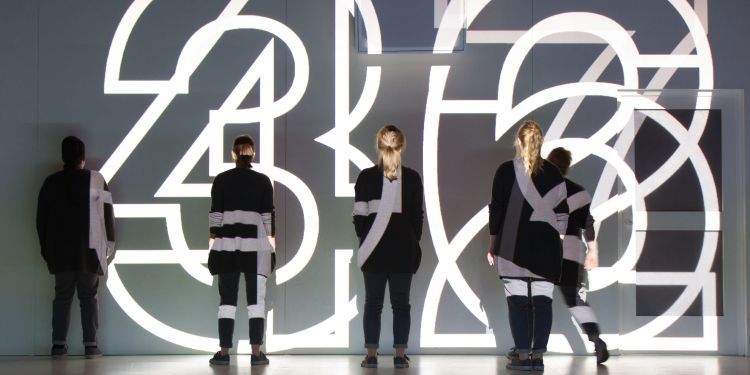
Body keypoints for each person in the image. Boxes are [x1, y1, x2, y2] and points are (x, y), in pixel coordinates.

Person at [487, 121, 568, 371]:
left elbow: (496, 211)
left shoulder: (504, 171)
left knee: (518, 303)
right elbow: (563, 213)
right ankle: (538, 358)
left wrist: (493, 243)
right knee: (543, 303)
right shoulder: (554, 173)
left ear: (518, 141)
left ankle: (522, 358)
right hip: (546, 249)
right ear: (540, 143)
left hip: (511, 248)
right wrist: (559, 240)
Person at [36, 136, 115, 359]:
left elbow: (41, 220)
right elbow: (108, 217)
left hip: (59, 252)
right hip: (89, 251)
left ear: (63, 156)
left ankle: (58, 345)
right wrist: (108, 247)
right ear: (83, 156)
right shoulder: (96, 180)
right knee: (89, 297)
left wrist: (46, 249)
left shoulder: (51, 182)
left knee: (62, 296)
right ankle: (91, 345)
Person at [353, 125, 423, 369]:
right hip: (403, 251)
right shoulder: (412, 178)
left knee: (373, 304)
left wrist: (366, 237)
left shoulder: (365, 177)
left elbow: (359, 217)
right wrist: (411, 242)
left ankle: (371, 356)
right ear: (401, 146)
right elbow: (417, 218)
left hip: (373, 251)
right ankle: (400, 356)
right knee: (401, 304)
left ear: (378, 145)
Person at [207, 135, 275, 367]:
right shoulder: (263, 181)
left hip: (227, 247)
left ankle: (224, 351)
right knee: (257, 302)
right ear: (253, 154)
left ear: (233, 154)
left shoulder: (222, 180)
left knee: (227, 301)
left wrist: (213, 241)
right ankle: (256, 353)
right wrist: (271, 246)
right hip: (256, 249)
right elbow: (268, 217)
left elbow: (215, 214)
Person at [545, 147, 609, 364]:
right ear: (567, 167)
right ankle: (595, 338)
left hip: (543, 249)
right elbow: (588, 224)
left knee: (535, 300)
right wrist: (593, 251)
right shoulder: (579, 192)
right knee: (574, 300)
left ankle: (528, 349)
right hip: (572, 250)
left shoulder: (541, 190)